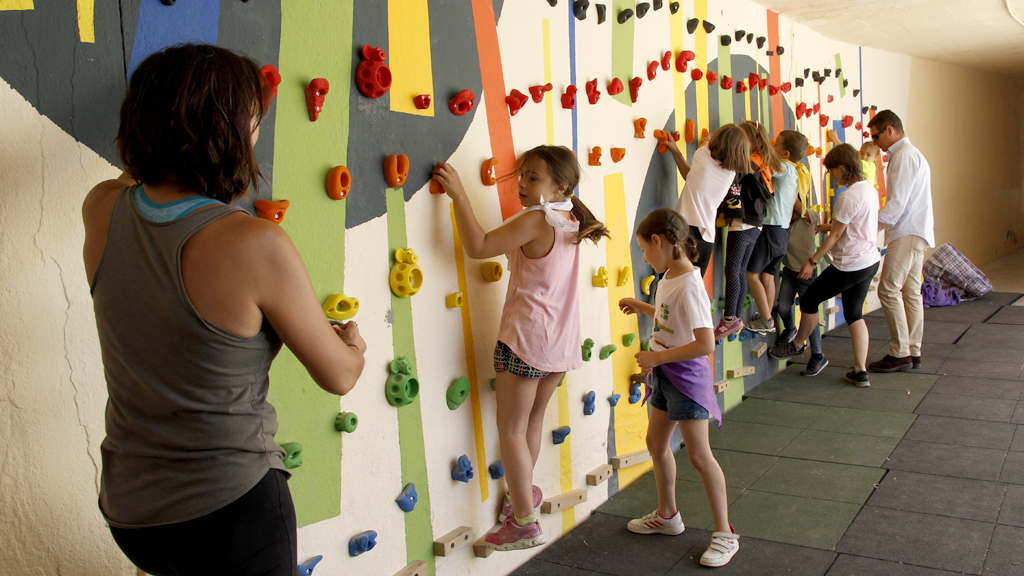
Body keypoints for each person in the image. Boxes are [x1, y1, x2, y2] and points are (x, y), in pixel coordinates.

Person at [83, 44, 366, 575]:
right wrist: (352, 343)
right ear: (229, 132)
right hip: (229, 511)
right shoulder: (254, 244)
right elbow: (340, 376)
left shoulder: (100, 209)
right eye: (253, 120)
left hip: (132, 511)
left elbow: (143, 195)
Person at [433, 145, 610, 551]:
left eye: (534, 177)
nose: (523, 185)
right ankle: (520, 497)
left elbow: (478, 246)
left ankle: (524, 522)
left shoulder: (537, 219)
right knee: (530, 424)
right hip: (559, 345)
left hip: (526, 341)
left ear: (560, 185)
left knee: (511, 428)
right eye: (522, 176)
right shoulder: (570, 220)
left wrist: (459, 194)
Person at [618, 208, 739, 568]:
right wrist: (643, 306)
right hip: (667, 375)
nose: (643, 257)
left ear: (659, 241)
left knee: (699, 456)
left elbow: (705, 344)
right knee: (656, 443)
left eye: (644, 249)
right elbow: (670, 317)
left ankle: (725, 533)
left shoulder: (689, 284)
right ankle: (668, 515)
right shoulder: (668, 276)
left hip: (685, 377)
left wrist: (656, 360)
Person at [768, 144, 880, 387]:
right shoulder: (867, 189)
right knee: (853, 314)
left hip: (849, 265)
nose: (832, 176)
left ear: (842, 168)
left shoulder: (847, 196)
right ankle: (861, 371)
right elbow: (850, 225)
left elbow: (836, 236)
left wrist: (813, 260)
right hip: (869, 261)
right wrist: (828, 227)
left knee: (809, 300)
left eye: (832, 171)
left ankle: (797, 344)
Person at [866, 110, 934, 372]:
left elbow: (896, 204)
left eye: (876, 135)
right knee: (910, 292)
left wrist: (868, 229)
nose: (875, 142)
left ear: (890, 130)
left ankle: (900, 352)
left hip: (906, 231)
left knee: (888, 289)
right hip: (917, 231)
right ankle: (913, 350)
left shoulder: (904, 157)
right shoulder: (910, 154)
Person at [714, 121, 779, 340]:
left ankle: (730, 319)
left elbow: (730, 178)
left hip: (744, 223)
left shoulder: (749, 163)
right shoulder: (762, 162)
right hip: (756, 224)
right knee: (739, 270)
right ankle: (735, 317)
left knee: (733, 270)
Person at [664, 124, 753, 277]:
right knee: (690, 292)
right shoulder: (730, 173)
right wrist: (674, 150)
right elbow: (691, 178)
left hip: (685, 231)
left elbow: (704, 148)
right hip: (706, 239)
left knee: (669, 285)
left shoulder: (703, 155)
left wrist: (707, 139)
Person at [745, 129, 810, 335]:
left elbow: (761, 164)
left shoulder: (784, 168)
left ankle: (766, 320)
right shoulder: (793, 170)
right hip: (781, 233)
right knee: (768, 275)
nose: (772, 145)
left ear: (786, 154)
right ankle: (767, 317)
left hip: (771, 228)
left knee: (751, 274)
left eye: (777, 144)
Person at [774, 196, 829, 376]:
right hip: (790, 272)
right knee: (782, 306)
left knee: (809, 317)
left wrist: (790, 186)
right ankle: (790, 329)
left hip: (807, 274)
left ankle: (817, 356)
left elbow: (799, 207)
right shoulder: (783, 221)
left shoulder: (809, 217)